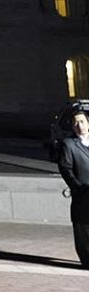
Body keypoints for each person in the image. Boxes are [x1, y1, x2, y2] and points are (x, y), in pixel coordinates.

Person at [58, 110, 89, 268]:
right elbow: (65, 168)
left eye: (82, 122)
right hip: (83, 194)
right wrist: (77, 187)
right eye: (76, 123)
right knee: (83, 228)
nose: (79, 126)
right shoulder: (69, 144)